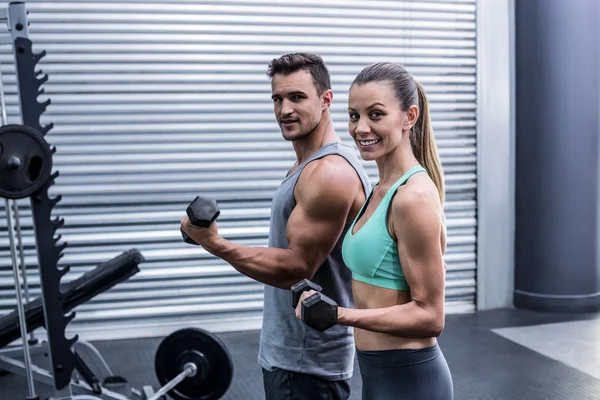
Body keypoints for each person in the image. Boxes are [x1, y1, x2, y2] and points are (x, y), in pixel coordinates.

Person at [180, 53, 372, 400]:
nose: (284, 110)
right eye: (277, 98)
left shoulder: (329, 173)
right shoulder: (308, 166)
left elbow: (296, 269)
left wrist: (215, 244)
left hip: (306, 364)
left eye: (297, 97)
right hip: (295, 357)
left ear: (326, 99)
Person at [296, 62, 454, 399]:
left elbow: (430, 316)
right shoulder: (380, 189)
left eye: (376, 115)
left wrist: (339, 315)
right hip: (377, 374)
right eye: (354, 116)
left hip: (411, 378)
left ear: (409, 117)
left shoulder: (412, 197)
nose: (361, 128)